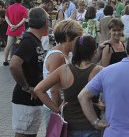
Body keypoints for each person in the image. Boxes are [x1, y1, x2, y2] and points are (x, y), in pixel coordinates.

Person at [35, 36, 103, 137]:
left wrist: (56, 109)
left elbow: (38, 89)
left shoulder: (64, 70)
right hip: (92, 125)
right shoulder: (99, 70)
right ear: (93, 52)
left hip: (69, 126)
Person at [9, 7, 48, 137]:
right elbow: (14, 64)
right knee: (23, 134)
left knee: (29, 134)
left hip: (32, 100)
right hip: (25, 99)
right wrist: (26, 87)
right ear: (45, 23)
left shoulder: (33, 39)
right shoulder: (28, 40)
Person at [41, 20, 83, 126]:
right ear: (68, 37)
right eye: (79, 38)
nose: (80, 42)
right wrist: (58, 112)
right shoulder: (58, 56)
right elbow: (55, 90)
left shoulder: (64, 54)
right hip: (57, 107)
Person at [3, 0, 28, 66]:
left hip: (11, 29)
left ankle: (5, 60)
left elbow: (6, 17)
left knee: (8, 45)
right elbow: (24, 19)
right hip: (19, 30)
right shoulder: (23, 8)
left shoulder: (10, 7)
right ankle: (19, 61)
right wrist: (17, 26)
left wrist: (11, 25)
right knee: (20, 45)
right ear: (22, 0)